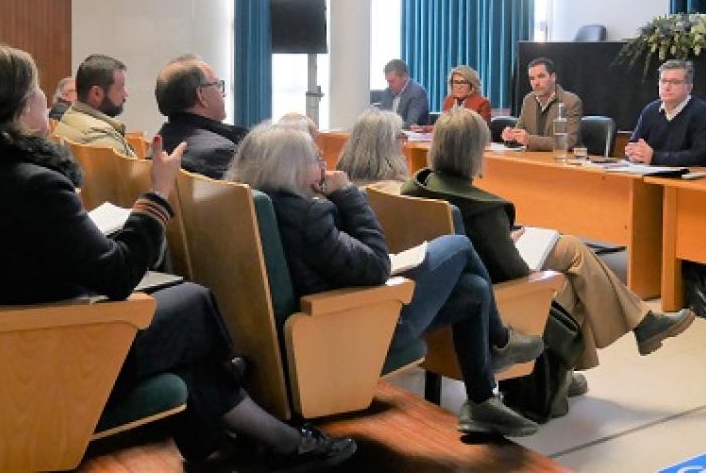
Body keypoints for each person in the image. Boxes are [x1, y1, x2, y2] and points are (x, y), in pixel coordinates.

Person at [0, 43, 355, 469]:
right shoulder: (33, 184)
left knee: (188, 323)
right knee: (193, 301)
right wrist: (157, 195)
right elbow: (118, 273)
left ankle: (244, 435)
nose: (46, 99)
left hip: (14, 329)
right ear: (11, 109)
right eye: (33, 89)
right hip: (53, 345)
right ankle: (258, 423)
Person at [226, 122, 546, 439]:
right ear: (290, 169)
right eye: (316, 160)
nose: (325, 166)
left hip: (320, 324)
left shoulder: (251, 207)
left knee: (474, 290)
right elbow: (377, 266)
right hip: (359, 328)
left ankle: (482, 401)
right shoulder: (307, 217)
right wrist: (348, 195)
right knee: (459, 245)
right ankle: (501, 341)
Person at [403, 108, 696, 383]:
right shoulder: (482, 207)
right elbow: (514, 271)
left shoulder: (415, 188)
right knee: (571, 282)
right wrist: (508, 240)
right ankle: (566, 376)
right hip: (493, 297)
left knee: (571, 248)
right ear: (474, 152)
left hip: (436, 290)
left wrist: (503, 239)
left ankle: (640, 325)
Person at [155, 55, 246, 179]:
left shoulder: (158, 148)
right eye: (218, 85)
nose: (223, 93)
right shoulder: (221, 153)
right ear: (201, 95)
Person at [625, 59, 706, 167]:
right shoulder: (650, 110)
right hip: (651, 174)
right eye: (663, 81)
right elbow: (634, 144)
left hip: (690, 178)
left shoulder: (702, 112)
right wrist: (633, 153)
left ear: (689, 87)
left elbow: (703, 156)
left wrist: (654, 157)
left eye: (674, 82)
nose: (667, 87)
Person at [54, 54, 135, 156]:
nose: (125, 94)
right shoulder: (104, 141)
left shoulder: (69, 119)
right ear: (96, 94)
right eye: (121, 88)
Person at [501, 57, 583, 151]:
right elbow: (519, 130)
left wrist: (530, 140)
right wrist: (511, 136)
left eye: (541, 76)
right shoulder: (529, 100)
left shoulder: (571, 102)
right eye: (532, 78)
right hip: (535, 159)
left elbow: (569, 142)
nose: (536, 83)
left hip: (563, 161)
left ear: (553, 77)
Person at [336, 107, 409, 188]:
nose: (403, 143)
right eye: (401, 136)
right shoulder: (400, 190)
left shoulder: (337, 184)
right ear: (386, 145)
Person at [376, 59, 430, 128]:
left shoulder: (417, 92)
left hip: (411, 137)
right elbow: (382, 119)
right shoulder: (387, 92)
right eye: (388, 81)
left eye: (392, 81)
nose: (389, 85)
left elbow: (410, 123)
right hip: (389, 135)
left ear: (404, 77)